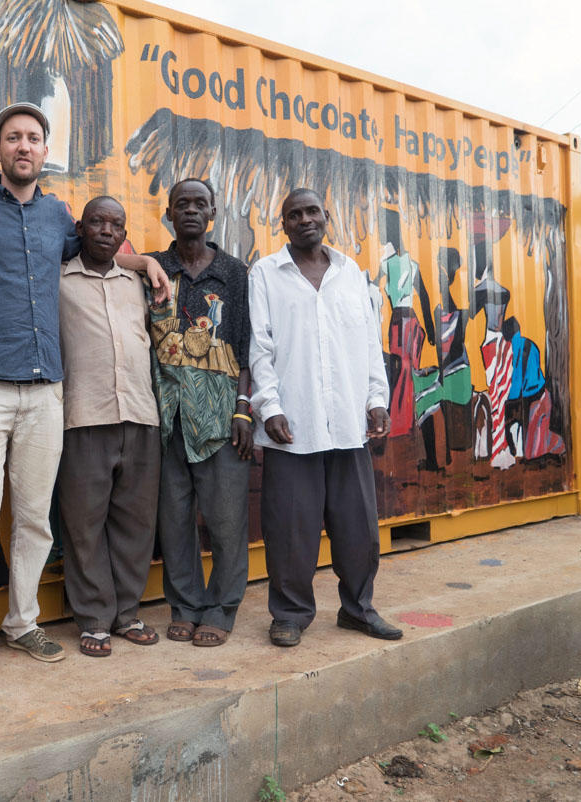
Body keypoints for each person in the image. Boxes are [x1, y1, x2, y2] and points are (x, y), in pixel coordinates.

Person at [0, 102, 169, 681]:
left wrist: (144, 261)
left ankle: (24, 623)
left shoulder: (60, 217)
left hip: (44, 393)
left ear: (43, 149)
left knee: (35, 519)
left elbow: (97, 251)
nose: (24, 147)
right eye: (14, 138)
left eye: (34, 138)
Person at [249, 188, 402, 648]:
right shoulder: (266, 274)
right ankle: (290, 615)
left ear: (327, 216)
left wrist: (377, 398)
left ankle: (358, 609)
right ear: (284, 225)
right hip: (293, 426)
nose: (304, 220)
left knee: (358, 527)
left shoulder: (351, 273)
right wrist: (269, 407)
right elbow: (261, 346)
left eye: (311, 211)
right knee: (291, 530)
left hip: (348, 425)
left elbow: (369, 344)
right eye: (293, 214)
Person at [148, 178, 254, 648]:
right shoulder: (155, 269)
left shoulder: (234, 273)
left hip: (219, 417)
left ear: (212, 214)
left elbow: (250, 349)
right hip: (167, 417)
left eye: (200, 204)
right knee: (174, 519)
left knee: (226, 518)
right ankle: (185, 605)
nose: (191, 211)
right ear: (169, 212)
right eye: (181, 204)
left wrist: (244, 411)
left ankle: (221, 607)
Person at [56, 197, 160, 658]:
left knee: (135, 523)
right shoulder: (58, 280)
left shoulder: (138, 282)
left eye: (116, 224)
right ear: (80, 228)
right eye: (96, 221)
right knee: (84, 524)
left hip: (140, 414)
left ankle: (127, 614)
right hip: (83, 416)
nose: (106, 230)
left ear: (124, 235)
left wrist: (142, 262)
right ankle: (95, 618)